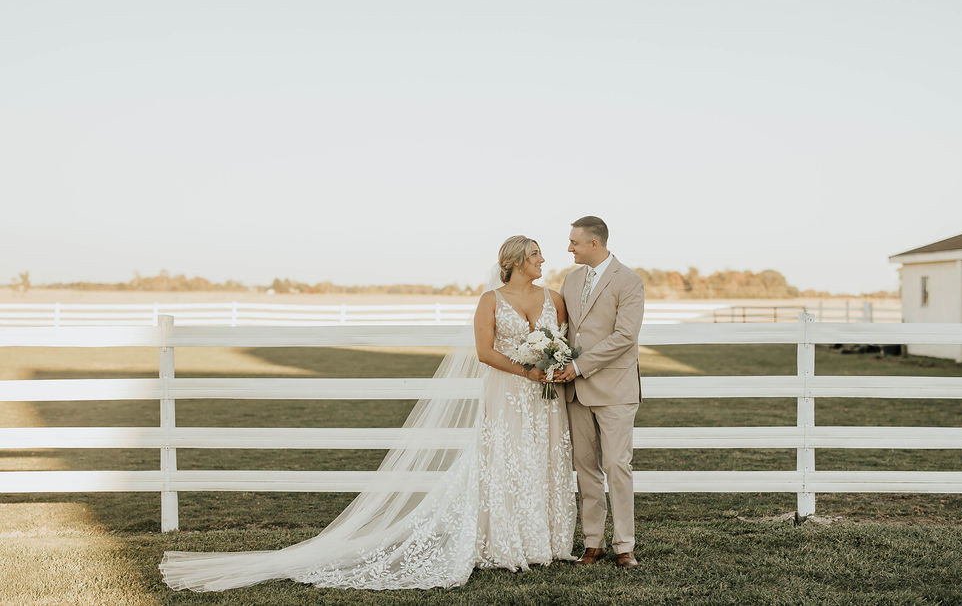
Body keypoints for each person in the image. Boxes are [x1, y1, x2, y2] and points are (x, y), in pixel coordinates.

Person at [159, 235, 576, 592]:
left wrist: (552, 367)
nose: (543, 260)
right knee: (504, 461)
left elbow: (560, 340)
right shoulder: (490, 301)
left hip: (545, 400)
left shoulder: (553, 298)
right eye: (536, 254)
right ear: (518, 260)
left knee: (542, 461)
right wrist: (528, 370)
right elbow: (485, 352)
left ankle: (545, 541)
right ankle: (504, 542)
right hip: (506, 393)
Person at [553, 216, 645, 569]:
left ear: (595, 243)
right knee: (585, 468)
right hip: (576, 393)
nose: (569, 248)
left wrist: (578, 366)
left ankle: (625, 545)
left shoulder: (629, 281)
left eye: (574, 242)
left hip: (615, 390)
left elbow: (624, 337)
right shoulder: (571, 279)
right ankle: (594, 542)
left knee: (617, 465)